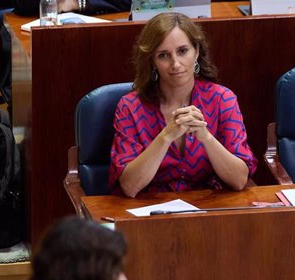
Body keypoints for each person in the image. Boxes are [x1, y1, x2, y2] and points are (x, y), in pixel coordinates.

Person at [109, 12, 258, 197]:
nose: (175, 64)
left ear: (196, 51)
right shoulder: (130, 107)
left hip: (211, 210)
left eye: (182, 51)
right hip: (149, 212)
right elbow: (130, 187)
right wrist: (165, 137)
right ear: (153, 62)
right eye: (163, 55)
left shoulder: (222, 99)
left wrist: (206, 138)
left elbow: (239, 180)